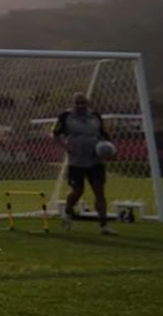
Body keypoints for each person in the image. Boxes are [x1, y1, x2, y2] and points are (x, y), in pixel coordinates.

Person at [54, 92, 114, 234]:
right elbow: (55, 134)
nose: (81, 106)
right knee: (78, 191)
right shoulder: (65, 117)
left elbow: (105, 135)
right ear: (73, 103)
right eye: (78, 103)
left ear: (88, 104)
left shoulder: (95, 117)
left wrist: (109, 150)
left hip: (95, 160)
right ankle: (68, 211)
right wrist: (66, 147)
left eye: (83, 103)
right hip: (76, 161)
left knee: (99, 191)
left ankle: (103, 225)